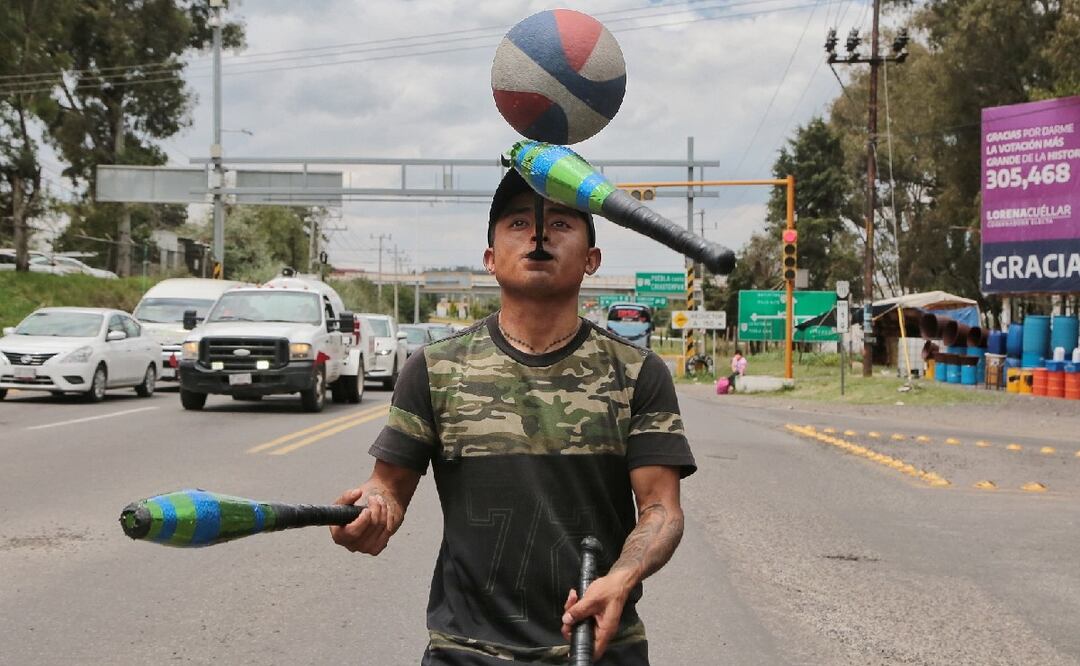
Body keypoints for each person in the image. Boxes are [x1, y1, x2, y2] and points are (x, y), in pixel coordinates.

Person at [330, 169, 696, 665]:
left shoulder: (639, 372)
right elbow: (388, 488)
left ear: (592, 260)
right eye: (519, 222)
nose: (540, 233)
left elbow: (661, 510)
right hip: (465, 652)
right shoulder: (434, 369)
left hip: (600, 647)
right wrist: (371, 511)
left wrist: (621, 577)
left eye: (562, 223)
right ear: (489, 259)